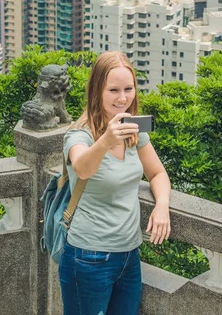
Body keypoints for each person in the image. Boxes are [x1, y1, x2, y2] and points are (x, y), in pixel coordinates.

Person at [59, 51, 171, 315]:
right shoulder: (79, 135)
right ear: (97, 90)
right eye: (113, 90)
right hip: (89, 256)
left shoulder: (134, 132)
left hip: (129, 254)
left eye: (128, 89)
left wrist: (162, 205)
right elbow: (82, 168)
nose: (123, 98)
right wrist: (106, 140)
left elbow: (157, 174)